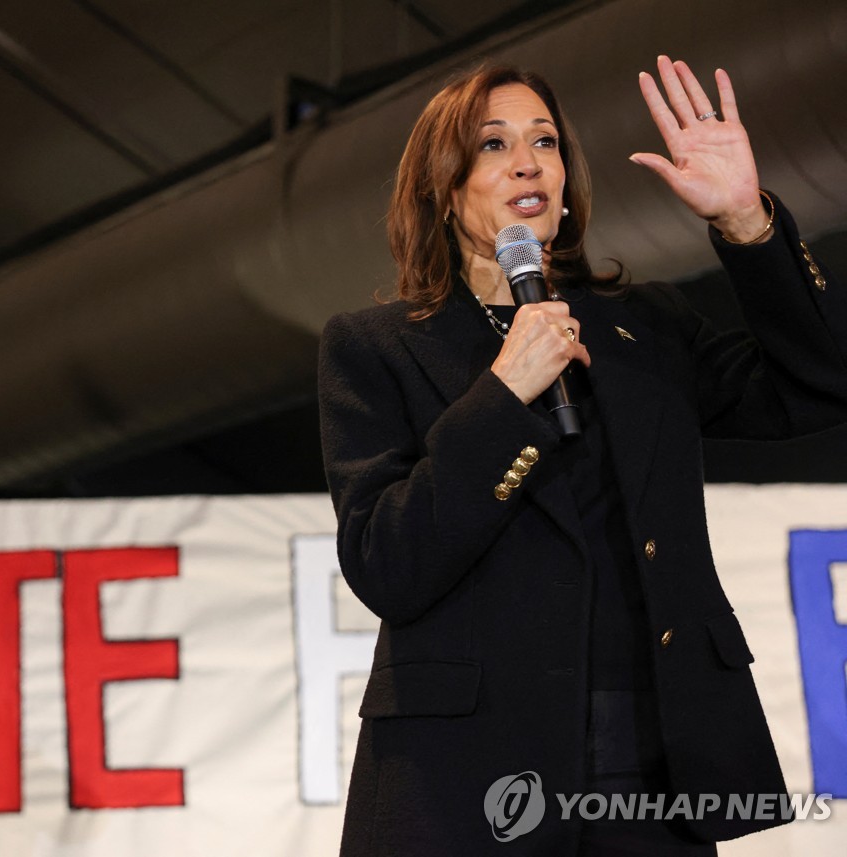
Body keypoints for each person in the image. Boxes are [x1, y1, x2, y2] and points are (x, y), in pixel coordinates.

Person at [317, 56, 847, 856]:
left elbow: (824, 382)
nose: (529, 161)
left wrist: (747, 222)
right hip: (471, 779)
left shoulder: (646, 327)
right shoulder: (375, 348)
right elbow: (387, 562)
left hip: (653, 768)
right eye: (493, 145)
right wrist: (503, 397)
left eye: (546, 141)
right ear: (442, 183)